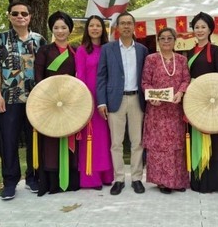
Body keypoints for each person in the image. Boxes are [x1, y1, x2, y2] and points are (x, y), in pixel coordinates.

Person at [0, 1, 47, 200]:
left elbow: (46, 70)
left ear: (29, 17)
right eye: (15, 13)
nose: (20, 16)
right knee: (9, 141)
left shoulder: (39, 40)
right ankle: (10, 182)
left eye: (24, 13)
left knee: (34, 140)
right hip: (9, 98)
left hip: (35, 100)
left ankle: (33, 178)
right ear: (9, 16)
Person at [97, 11, 148, 195]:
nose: (126, 26)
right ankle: (118, 179)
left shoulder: (142, 50)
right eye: (123, 23)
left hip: (137, 99)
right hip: (114, 100)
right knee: (116, 143)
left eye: (129, 23)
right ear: (117, 27)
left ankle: (136, 178)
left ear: (134, 27)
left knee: (137, 142)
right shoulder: (107, 49)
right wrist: (101, 102)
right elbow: (101, 76)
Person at [34, 11, 79, 196]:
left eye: (63, 27)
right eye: (56, 28)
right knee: (51, 140)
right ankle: (52, 182)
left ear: (69, 30)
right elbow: (38, 77)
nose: (60, 31)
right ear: (51, 29)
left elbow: (80, 76)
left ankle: (70, 181)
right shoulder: (45, 50)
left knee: (69, 136)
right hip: (49, 103)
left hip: (70, 103)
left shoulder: (75, 50)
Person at [141, 27, 191, 193]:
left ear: (175, 40)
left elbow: (186, 79)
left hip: (175, 110)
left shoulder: (181, 60)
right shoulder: (151, 59)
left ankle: (177, 180)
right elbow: (145, 82)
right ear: (158, 40)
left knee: (176, 146)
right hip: (157, 111)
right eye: (163, 38)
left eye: (170, 38)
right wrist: (151, 97)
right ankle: (162, 181)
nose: (166, 41)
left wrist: (181, 92)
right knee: (159, 146)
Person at [187, 12, 218, 193]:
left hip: (212, 101)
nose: (200, 30)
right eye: (196, 27)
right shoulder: (190, 51)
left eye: (203, 27)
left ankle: (215, 182)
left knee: (214, 141)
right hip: (195, 101)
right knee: (197, 135)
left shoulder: (216, 51)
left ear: (210, 29)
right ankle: (198, 180)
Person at [75, 15, 113, 189]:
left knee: (106, 138)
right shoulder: (82, 50)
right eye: (92, 25)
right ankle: (92, 177)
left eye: (98, 25)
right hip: (89, 97)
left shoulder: (109, 49)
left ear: (103, 29)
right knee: (91, 138)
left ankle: (106, 175)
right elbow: (80, 75)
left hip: (106, 98)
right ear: (87, 29)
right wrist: (85, 99)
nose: (95, 28)